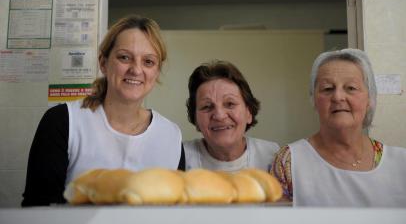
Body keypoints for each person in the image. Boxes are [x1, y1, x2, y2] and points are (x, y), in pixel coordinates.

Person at [22, 15, 184, 206]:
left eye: (148, 62)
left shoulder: (170, 135)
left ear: (156, 71)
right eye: (125, 57)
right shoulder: (63, 121)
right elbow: (37, 209)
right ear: (103, 62)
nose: (136, 70)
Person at [272, 48, 406, 207]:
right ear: (314, 99)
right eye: (328, 88)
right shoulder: (289, 161)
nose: (338, 97)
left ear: (369, 98)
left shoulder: (400, 163)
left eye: (351, 88)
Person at [184, 60, 280, 172]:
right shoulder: (179, 157)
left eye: (230, 104)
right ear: (195, 118)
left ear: (248, 113)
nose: (219, 115)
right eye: (207, 107)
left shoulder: (274, 157)